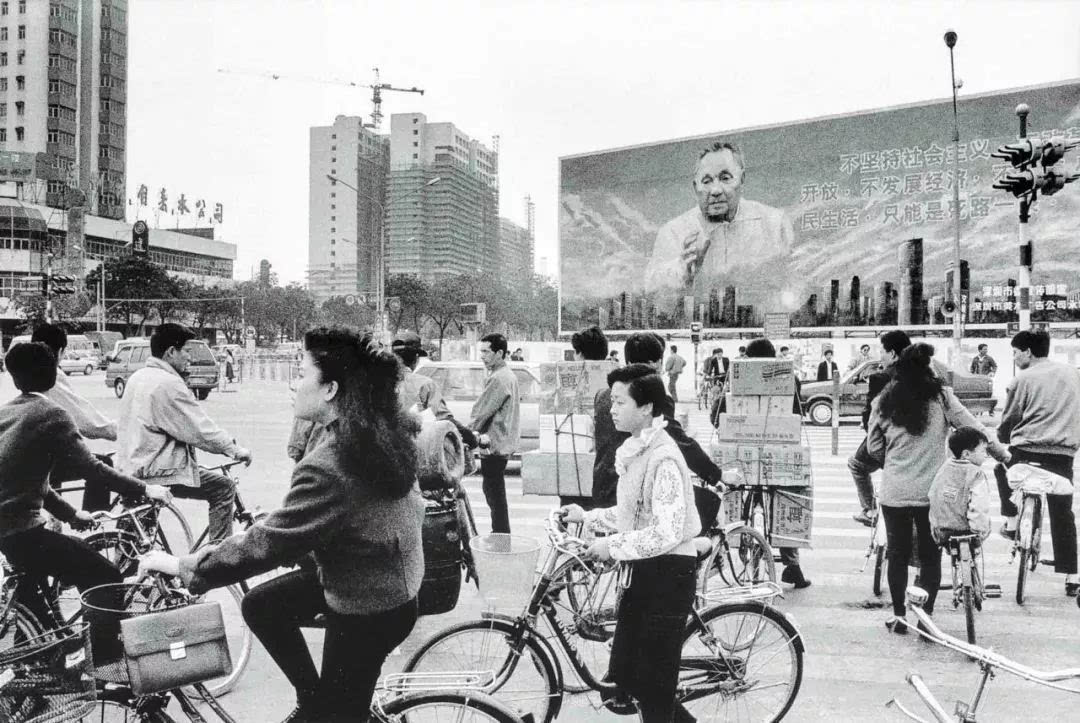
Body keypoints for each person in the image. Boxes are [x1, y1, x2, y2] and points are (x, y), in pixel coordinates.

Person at [140, 327, 424, 723]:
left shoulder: (332, 461)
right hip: (387, 583)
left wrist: (183, 566)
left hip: (366, 606)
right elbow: (347, 518)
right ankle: (314, 701)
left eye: (302, 373)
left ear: (330, 390)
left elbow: (266, 545)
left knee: (339, 718)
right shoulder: (376, 434)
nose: (294, 384)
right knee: (262, 605)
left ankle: (323, 710)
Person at [0, 342, 171, 662]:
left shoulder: (8, 413)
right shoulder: (51, 413)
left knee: (40, 613)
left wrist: (72, 515)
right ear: (53, 373)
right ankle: (104, 664)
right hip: (23, 532)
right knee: (104, 575)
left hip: (8, 531)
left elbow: (30, 482)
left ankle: (39, 663)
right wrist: (145, 490)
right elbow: (91, 468)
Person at [561, 368, 699, 723]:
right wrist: (587, 517)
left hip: (669, 574)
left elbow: (667, 532)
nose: (612, 409)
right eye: (612, 401)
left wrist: (612, 546)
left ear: (646, 407)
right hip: (643, 571)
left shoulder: (663, 457)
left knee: (654, 684)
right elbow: (632, 512)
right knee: (628, 675)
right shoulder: (638, 448)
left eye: (620, 402)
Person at [867, 343, 1008, 633]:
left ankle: (899, 616)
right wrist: (1002, 455)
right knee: (930, 557)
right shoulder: (942, 398)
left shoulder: (883, 401)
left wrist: (894, 464)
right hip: (931, 494)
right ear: (928, 369)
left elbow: (873, 447)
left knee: (897, 554)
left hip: (894, 492)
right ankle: (926, 618)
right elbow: (974, 429)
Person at [116, 323, 252, 543]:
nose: (190, 357)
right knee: (224, 488)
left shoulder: (137, 377)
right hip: (158, 471)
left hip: (130, 468)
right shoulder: (168, 384)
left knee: (132, 540)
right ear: (171, 352)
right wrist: (234, 450)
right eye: (186, 350)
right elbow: (199, 429)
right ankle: (217, 557)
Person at [644, 141, 796, 320]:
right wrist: (682, 270)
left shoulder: (774, 223)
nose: (715, 190)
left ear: (742, 179)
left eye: (725, 178)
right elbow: (650, 291)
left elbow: (794, 284)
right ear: (695, 187)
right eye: (706, 181)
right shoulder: (673, 231)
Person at [593, 334, 723, 510]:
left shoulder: (602, 396)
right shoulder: (654, 398)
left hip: (602, 488)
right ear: (656, 364)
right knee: (709, 503)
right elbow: (679, 442)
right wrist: (715, 474)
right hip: (634, 494)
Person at [994, 330, 1080, 596]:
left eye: (1015, 352)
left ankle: (1011, 523)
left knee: (1000, 468)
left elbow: (1010, 417)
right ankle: (1072, 575)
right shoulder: (1073, 374)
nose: (1014, 357)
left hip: (1026, 450)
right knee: (1062, 510)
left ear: (1028, 352)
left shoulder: (1022, 378)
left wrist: (1002, 437)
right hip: (1062, 453)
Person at [31, 324, 118, 511]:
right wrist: (119, 431)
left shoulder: (27, 372)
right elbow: (86, 421)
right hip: (43, 461)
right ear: (60, 351)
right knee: (103, 465)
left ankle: (57, 521)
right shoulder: (51, 376)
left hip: (26, 453)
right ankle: (93, 523)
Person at [849, 330, 910, 526]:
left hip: (886, 440)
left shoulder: (880, 378)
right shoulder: (923, 375)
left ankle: (870, 510)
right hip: (916, 441)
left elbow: (870, 416)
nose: (880, 356)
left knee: (856, 465)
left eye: (882, 351)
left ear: (892, 354)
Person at [469, 332, 519, 534]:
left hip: (494, 443)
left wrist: (467, 434)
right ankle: (500, 532)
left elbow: (481, 412)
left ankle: (500, 533)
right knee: (494, 491)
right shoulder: (507, 375)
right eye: (481, 351)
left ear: (499, 353)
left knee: (493, 492)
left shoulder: (498, 378)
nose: (482, 356)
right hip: (502, 441)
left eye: (486, 351)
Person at [391, 331, 477, 447]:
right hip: (413, 449)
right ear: (416, 358)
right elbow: (444, 419)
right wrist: (471, 438)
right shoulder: (425, 384)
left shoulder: (376, 383)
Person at [929, 427, 992, 544]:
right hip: (968, 533)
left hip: (942, 531)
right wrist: (980, 530)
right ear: (966, 454)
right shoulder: (976, 473)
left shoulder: (945, 467)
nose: (986, 455)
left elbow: (933, 495)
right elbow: (979, 505)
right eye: (983, 451)